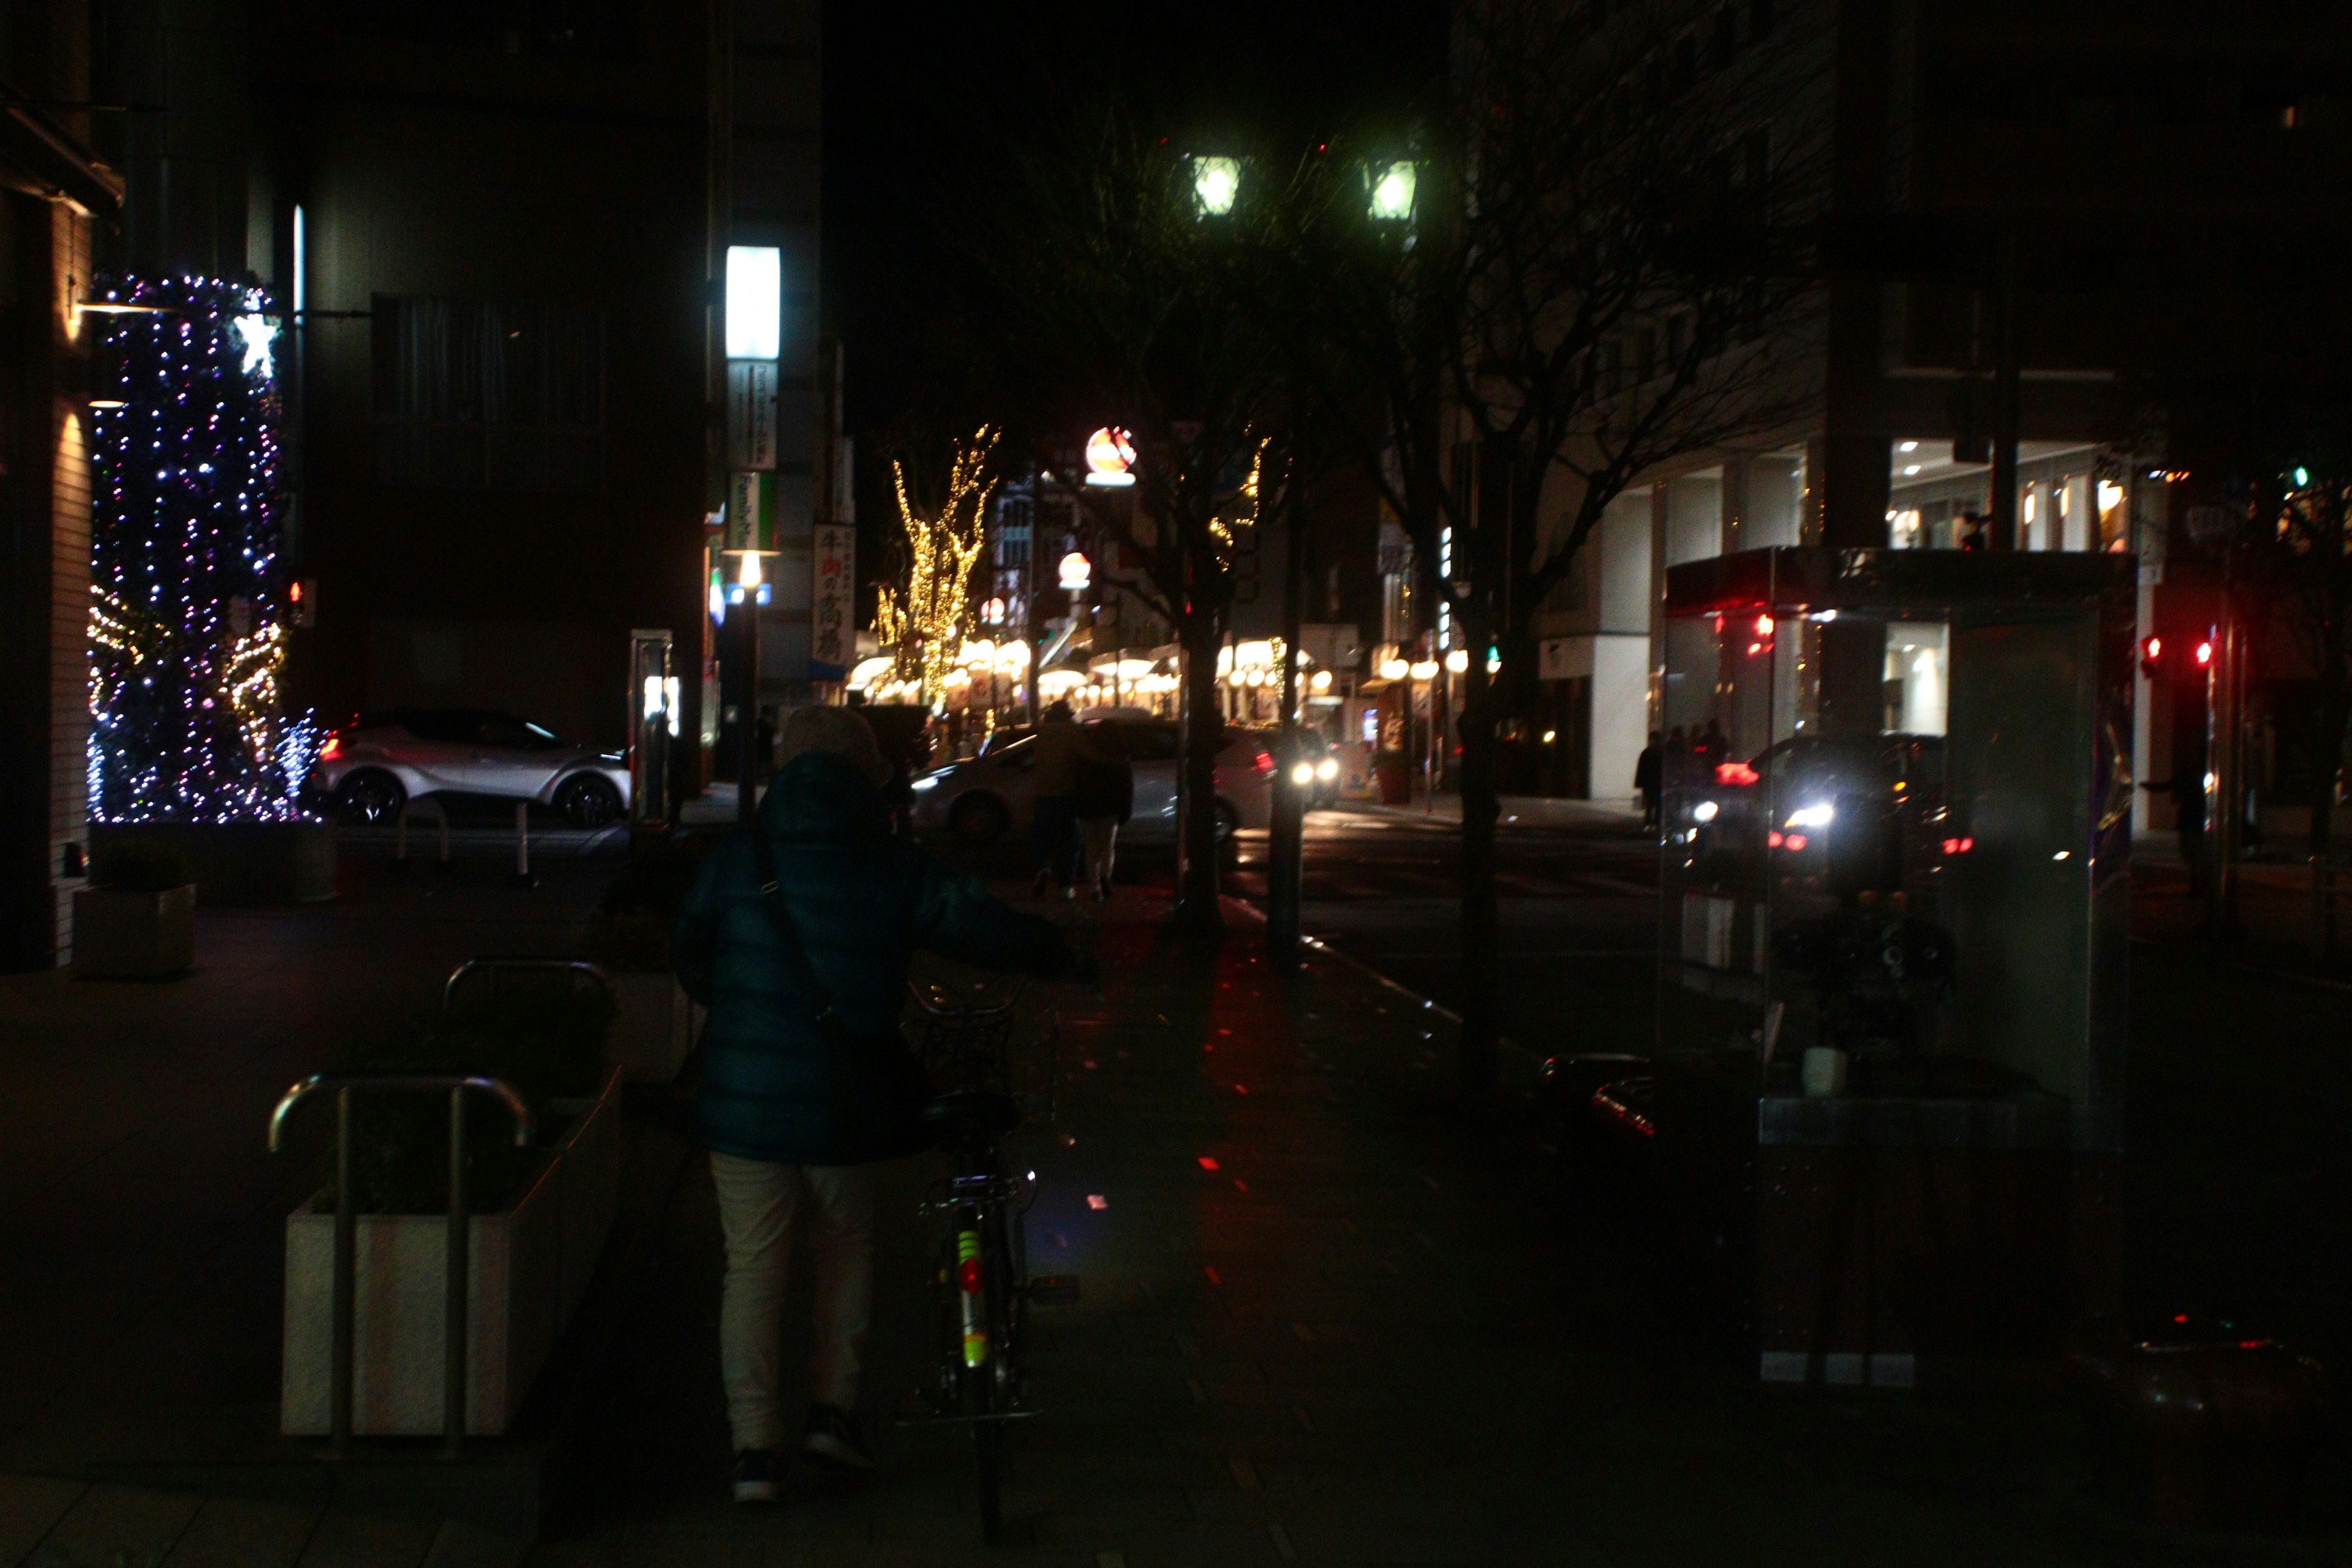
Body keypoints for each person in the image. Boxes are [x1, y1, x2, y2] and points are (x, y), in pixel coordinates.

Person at [672, 706, 1077, 1504]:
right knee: (844, 1251)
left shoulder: (738, 857)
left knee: (752, 1270)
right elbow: (979, 926)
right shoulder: (891, 863)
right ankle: (834, 1414)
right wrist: (1066, 955)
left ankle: (754, 1451)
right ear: (868, 778)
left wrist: (743, 1014)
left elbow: (691, 956)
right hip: (843, 1101)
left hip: (745, 1107)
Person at [1072, 721, 1134, 900]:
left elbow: (1077, 783)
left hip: (1087, 808)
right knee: (1108, 846)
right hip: (1110, 808)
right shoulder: (1120, 756)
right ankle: (1105, 876)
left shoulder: (1086, 756)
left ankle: (1094, 888)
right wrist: (1125, 810)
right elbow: (1126, 787)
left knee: (1091, 848)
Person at [1030, 699, 1083, 897]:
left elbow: (1035, 759)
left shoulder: (1043, 733)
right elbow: (1086, 754)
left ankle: (1043, 868)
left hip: (1043, 793)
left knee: (1042, 837)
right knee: (1070, 840)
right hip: (1066, 793)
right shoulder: (1073, 731)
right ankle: (1066, 885)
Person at [1634, 731, 1662, 831]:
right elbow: (1641, 769)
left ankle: (1655, 823)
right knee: (1650, 804)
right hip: (1650, 783)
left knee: (1657, 804)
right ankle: (1649, 823)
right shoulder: (1647, 753)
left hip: (1656, 782)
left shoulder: (1655, 753)